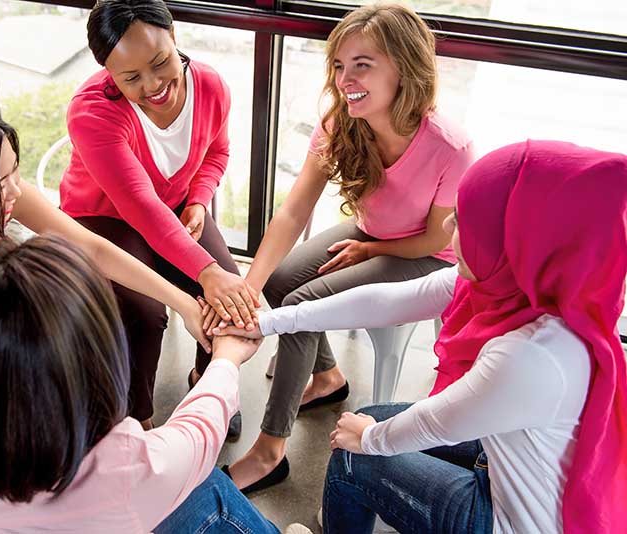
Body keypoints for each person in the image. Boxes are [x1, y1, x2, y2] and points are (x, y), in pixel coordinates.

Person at [217, 141, 627, 533]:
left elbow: (439, 422)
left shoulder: (532, 355)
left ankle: (350, 499)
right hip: (506, 458)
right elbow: (387, 301)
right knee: (370, 418)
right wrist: (270, 322)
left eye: (465, 219)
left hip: (508, 521)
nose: (447, 223)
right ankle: (351, 505)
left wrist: (370, 439)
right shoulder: (526, 287)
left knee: (351, 456)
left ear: (516, 239)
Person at [216, 3, 475, 493]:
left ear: (404, 67)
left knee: (302, 303)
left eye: (363, 64)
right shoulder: (340, 122)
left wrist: (374, 247)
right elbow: (292, 213)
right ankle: (330, 377)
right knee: (277, 279)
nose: (345, 78)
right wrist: (248, 289)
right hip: (369, 235)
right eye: (339, 64)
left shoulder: (450, 146)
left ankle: (270, 451)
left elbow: (441, 238)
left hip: (422, 254)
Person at [0, 235, 279, 533]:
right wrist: (227, 358)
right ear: (96, 361)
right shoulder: (117, 466)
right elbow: (198, 434)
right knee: (207, 488)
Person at [0, 101, 208, 424]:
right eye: (1, 181)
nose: (15, 189)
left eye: (15, 171)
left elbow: (92, 248)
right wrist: (18, 338)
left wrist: (183, 302)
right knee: (42, 410)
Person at [59, 0, 258, 436]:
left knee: (227, 296)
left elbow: (218, 152)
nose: (153, 85)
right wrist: (204, 271)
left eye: (161, 62)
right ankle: (136, 418)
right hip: (102, 217)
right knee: (143, 311)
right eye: (131, 78)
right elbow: (140, 208)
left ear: (174, 37)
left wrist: (199, 199)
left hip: (174, 209)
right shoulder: (93, 113)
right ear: (109, 74)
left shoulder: (209, 86)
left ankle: (208, 385)